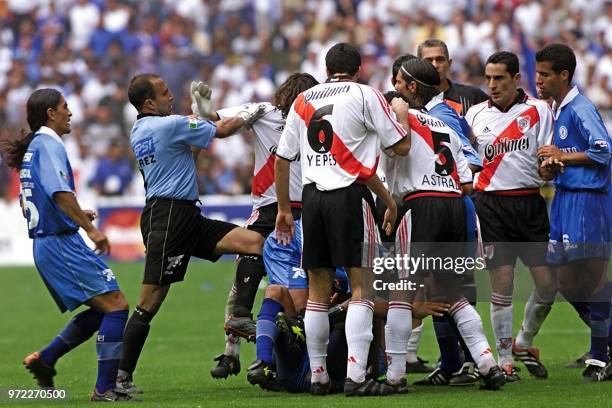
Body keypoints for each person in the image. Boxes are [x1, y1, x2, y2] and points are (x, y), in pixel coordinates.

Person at [115, 74, 266, 394]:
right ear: (148, 103)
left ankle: (239, 315)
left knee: (254, 243)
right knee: (149, 303)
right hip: (169, 218)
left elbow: (192, 153)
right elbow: (223, 130)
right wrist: (255, 112)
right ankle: (119, 377)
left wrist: (201, 115)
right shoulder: (168, 125)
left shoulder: (140, 130)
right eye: (165, 93)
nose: (171, 97)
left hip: (183, 214)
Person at [275, 42, 411, 396]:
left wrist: (284, 210)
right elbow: (399, 145)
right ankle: (355, 377)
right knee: (362, 285)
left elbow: (282, 158)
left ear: (326, 67)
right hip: (350, 195)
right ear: (358, 68)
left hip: (311, 198)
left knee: (317, 293)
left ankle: (318, 377)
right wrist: (400, 113)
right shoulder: (366, 94)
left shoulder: (303, 101)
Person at [0, 88, 130, 401]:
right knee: (117, 306)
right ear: (51, 113)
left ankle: (46, 358)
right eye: (65, 107)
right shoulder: (48, 145)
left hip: (53, 241)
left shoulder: (34, 148)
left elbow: (29, 202)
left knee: (103, 310)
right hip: (61, 244)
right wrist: (91, 230)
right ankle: (104, 389)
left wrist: (73, 214)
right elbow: (59, 193)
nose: (70, 112)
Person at [388, 58, 505, 391]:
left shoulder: (398, 117)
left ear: (411, 87)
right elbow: (467, 182)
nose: (393, 88)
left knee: (401, 290)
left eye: (398, 82)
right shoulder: (445, 127)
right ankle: (487, 363)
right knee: (453, 294)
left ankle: (395, 375)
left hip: (420, 206)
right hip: (455, 204)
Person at [204, 73, 319, 380]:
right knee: (258, 269)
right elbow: (217, 121)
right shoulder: (265, 113)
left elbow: (216, 121)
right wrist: (204, 111)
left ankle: (264, 355)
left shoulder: (312, 121)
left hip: (300, 208)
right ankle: (232, 353)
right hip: (274, 207)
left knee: (282, 284)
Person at [466, 51, 557, 381]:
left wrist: (548, 169)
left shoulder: (539, 111)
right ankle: (504, 359)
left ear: (516, 79)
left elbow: (546, 156)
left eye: (499, 78)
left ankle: (523, 341)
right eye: (488, 78)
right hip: (490, 206)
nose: (492, 84)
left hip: (530, 204)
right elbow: (468, 163)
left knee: (548, 284)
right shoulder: (475, 115)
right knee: (502, 283)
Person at [535, 43, 612, 382]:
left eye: (545, 74)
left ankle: (600, 357)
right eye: (537, 73)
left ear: (564, 74)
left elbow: (603, 151)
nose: (538, 80)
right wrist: (552, 166)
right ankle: (606, 345)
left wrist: (561, 156)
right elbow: (567, 154)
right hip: (566, 198)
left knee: (592, 280)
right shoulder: (558, 110)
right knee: (563, 280)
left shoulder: (580, 108)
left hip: (587, 201)